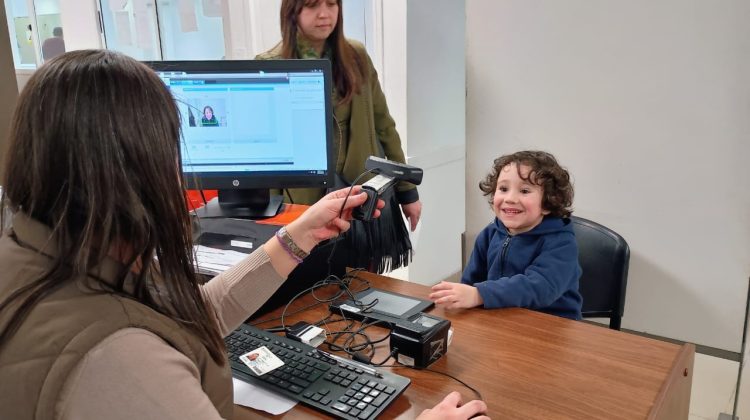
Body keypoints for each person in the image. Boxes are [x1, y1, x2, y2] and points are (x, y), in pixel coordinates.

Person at [0, 50, 488, 419]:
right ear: (135, 171)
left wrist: (298, 235)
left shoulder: (47, 254)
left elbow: (190, 319)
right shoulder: (117, 358)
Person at [256, 0, 422, 232]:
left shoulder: (356, 56)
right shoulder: (270, 64)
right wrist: (273, 214)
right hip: (302, 202)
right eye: (312, 5)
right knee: (310, 266)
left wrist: (407, 191)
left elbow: (384, 125)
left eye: (332, 4)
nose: (324, 14)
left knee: (358, 268)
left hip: (360, 194)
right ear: (292, 11)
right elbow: (267, 151)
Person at [429, 151, 583, 320]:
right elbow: (470, 282)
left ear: (548, 203)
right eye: (503, 189)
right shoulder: (489, 234)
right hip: (501, 319)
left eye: (524, 191)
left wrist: (479, 294)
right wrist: (457, 297)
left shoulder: (561, 243)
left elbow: (539, 287)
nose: (510, 198)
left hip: (551, 327)